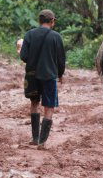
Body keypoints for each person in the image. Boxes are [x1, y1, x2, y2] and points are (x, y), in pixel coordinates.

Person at [20, 9, 65, 149]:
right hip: (49, 76)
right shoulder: (56, 37)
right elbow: (61, 59)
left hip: (32, 76)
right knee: (49, 107)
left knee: (34, 103)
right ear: (52, 21)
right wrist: (60, 74)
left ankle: (35, 138)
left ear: (39, 21)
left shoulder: (29, 34)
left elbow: (24, 57)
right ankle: (42, 142)